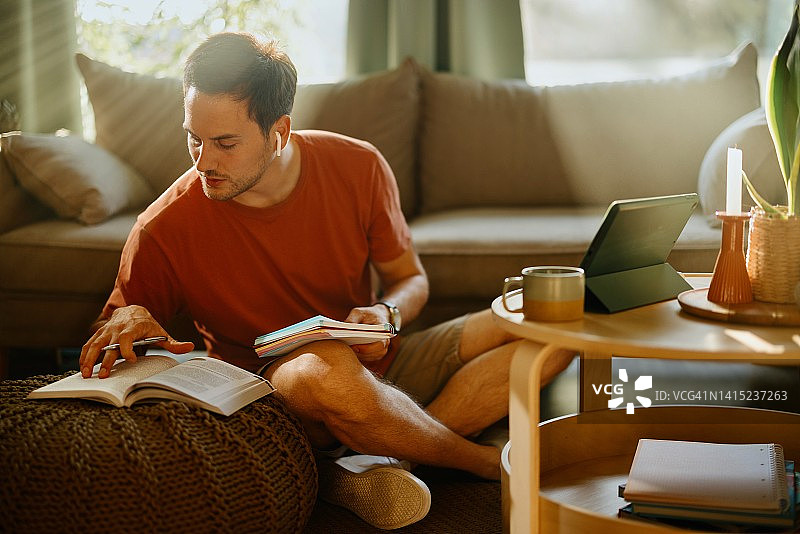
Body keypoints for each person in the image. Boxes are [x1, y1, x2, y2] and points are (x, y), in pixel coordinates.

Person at [78, 32, 574, 530]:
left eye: (225, 143)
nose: (203, 161)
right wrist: (128, 319)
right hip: (281, 393)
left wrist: (386, 313)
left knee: (560, 324)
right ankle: (480, 461)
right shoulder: (164, 226)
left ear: (281, 131)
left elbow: (410, 279)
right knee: (327, 368)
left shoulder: (359, 165)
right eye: (193, 137)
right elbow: (115, 339)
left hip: (377, 358)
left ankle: (383, 457)